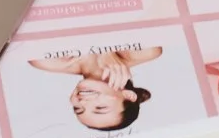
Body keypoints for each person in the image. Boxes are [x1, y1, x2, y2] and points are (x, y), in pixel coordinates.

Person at [30, 45, 161, 130]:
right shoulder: (146, 51)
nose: (82, 102)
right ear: (128, 95)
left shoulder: (46, 61)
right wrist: (104, 51)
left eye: (78, 108)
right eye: (100, 108)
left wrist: (102, 49)